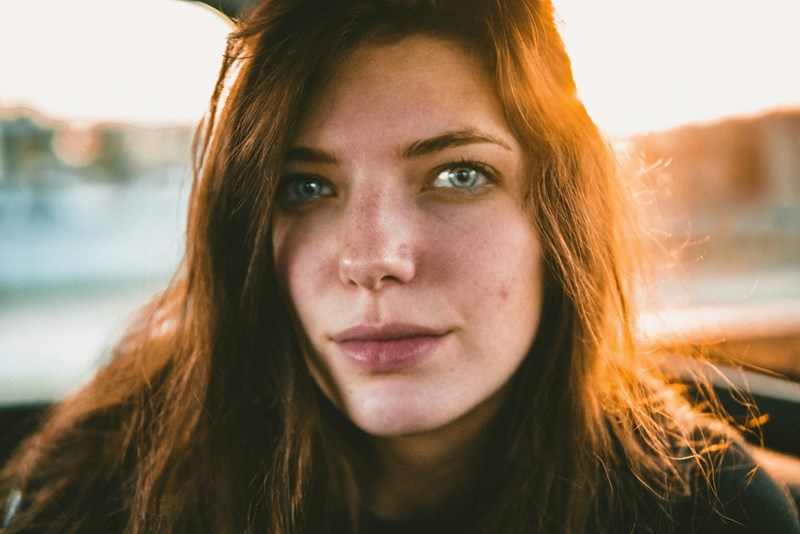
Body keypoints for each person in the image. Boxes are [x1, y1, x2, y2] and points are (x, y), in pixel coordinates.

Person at [2, 0, 799, 532]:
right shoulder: (111, 492)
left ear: (559, 218)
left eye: (458, 175)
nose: (372, 259)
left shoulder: (701, 510)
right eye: (304, 186)